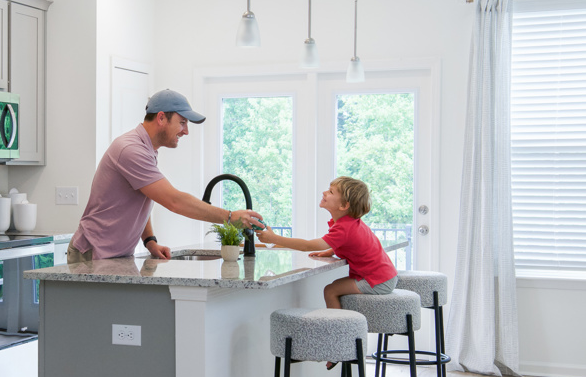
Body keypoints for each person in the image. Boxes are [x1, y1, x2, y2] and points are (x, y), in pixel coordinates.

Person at [68, 89, 264, 263]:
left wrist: (150, 241)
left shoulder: (147, 149)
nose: (186, 131)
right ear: (161, 118)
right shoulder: (131, 149)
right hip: (92, 254)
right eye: (182, 122)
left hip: (114, 255)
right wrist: (230, 217)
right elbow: (174, 201)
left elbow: (142, 197)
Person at [257, 176, 397, 312]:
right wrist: (330, 251)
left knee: (330, 290)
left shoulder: (344, 228)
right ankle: (344, 324)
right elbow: (350, 245)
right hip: (385, 276)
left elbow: (307, 246)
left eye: (331, 192)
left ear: (344, 205)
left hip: (377, 281)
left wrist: (274, 238)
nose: (324, 192)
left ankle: (338, 331)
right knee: (334, 286)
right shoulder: (349, 223)